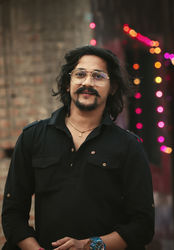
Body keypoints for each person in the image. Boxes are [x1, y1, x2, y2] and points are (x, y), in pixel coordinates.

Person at [1, 45, 155, 250]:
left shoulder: (128, 146)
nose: (87, 83)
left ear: (113, 87)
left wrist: (89, 246)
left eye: (98, 76)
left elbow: (142, 226)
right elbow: (13, 215)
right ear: (67, 83)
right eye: (80, 74)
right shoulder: (33, 137)